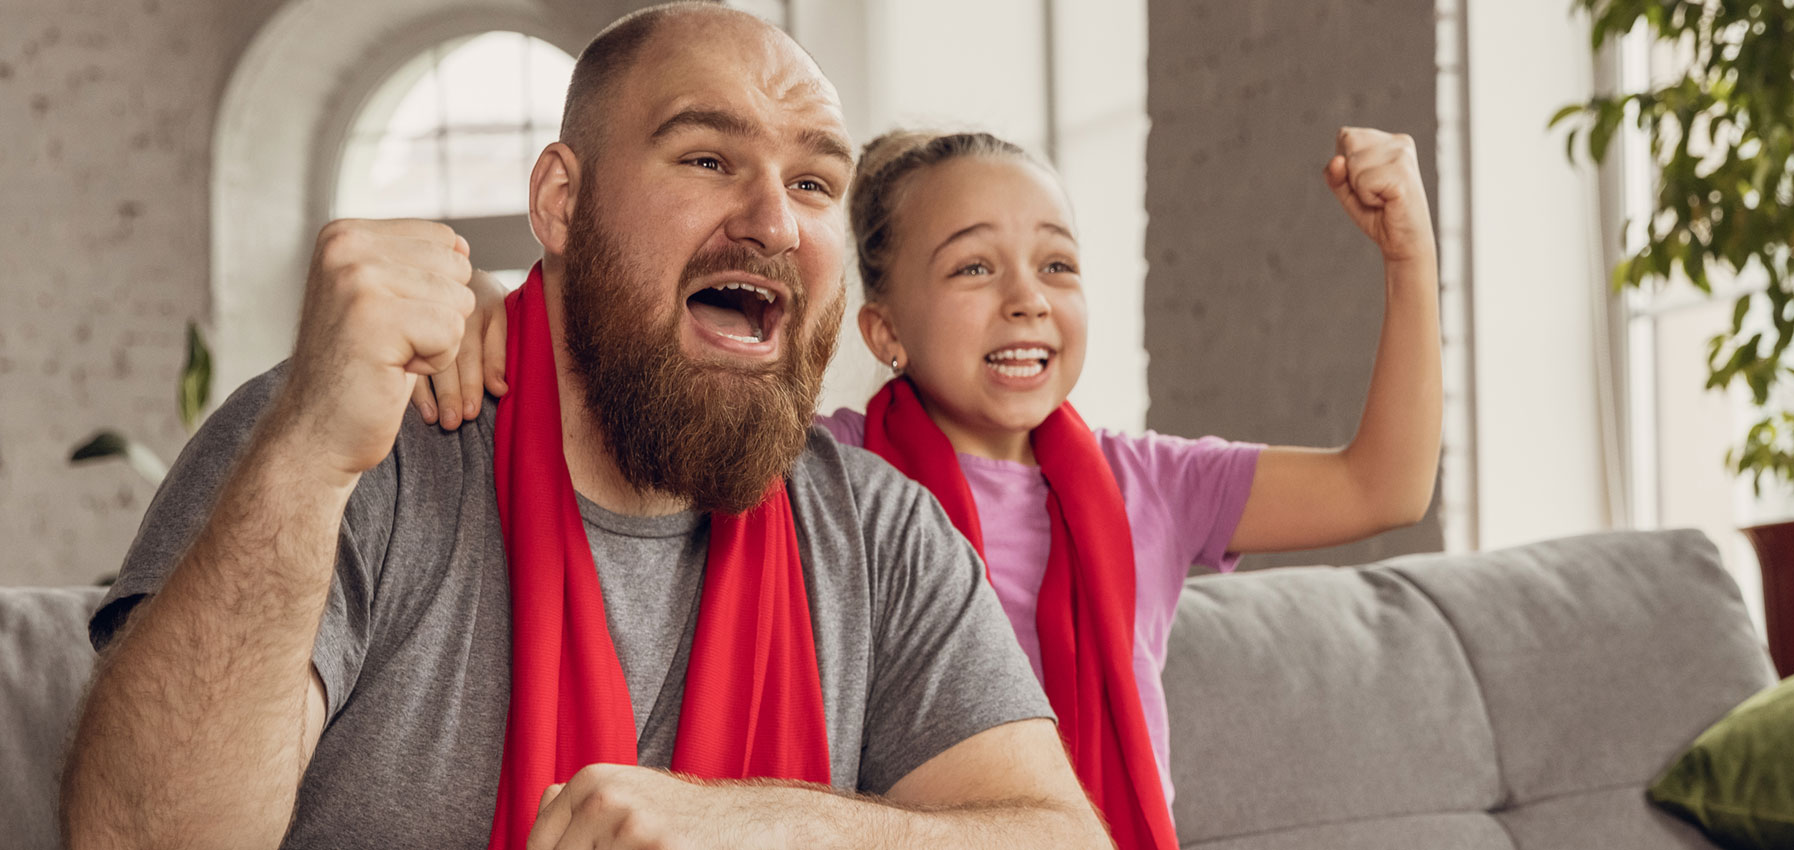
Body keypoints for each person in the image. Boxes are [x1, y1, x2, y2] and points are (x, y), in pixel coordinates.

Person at [60, 5, 1113, 850]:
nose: (774, 221)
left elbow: (1053, 832)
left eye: (811, 182)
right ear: (562, 203)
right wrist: (307, 453)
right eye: (707, 158)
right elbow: (138, 836)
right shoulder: (348, 453)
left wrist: (765, 826)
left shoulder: (879, 533)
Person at [437, 124, 1442, 849]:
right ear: (883, 330)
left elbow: (1382, 485)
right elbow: (647, 403)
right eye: (973, 270)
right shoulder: (827, 484)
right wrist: (498, 306)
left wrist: (1409, 258)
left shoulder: (1153, 484)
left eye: (1057, 265)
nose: (1025, 300)